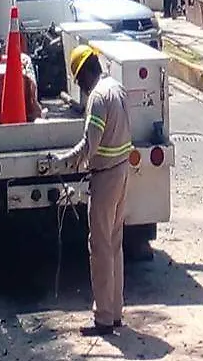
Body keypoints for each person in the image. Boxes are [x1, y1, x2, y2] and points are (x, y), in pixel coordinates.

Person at [53, 44, 133, 335]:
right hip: (122, 173)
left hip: (105, 178)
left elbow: (89, 145)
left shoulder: (98, 98)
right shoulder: (117, 88)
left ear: (86, 71)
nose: (81, 88)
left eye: (79, 80)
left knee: (100, 249)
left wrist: (61, 161)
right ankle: (115, 313)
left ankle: (103, 319)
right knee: (114, 245)